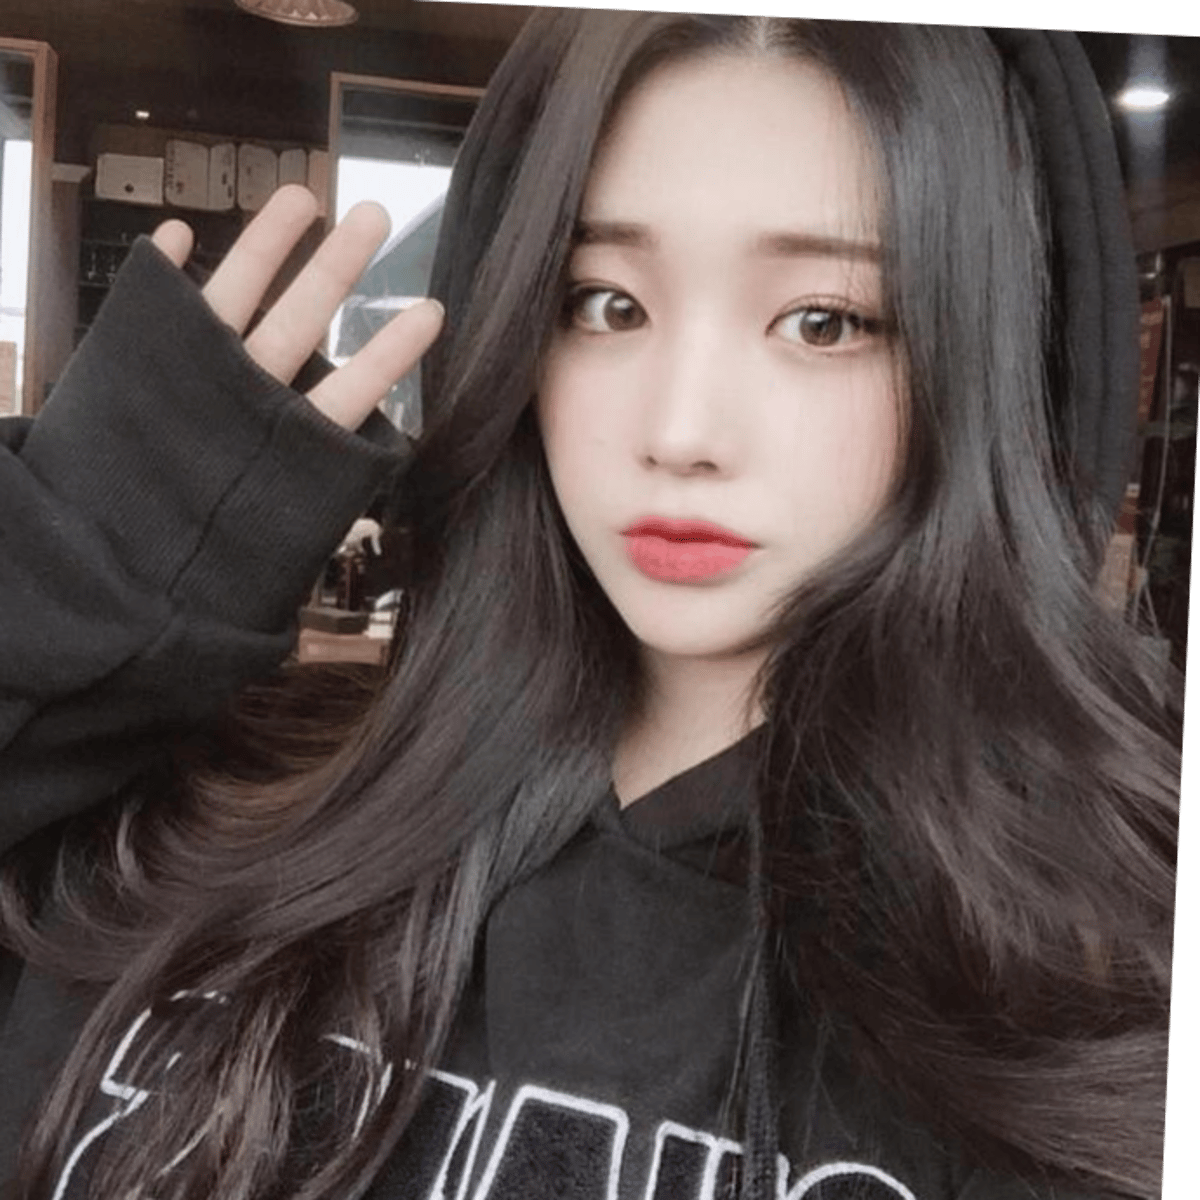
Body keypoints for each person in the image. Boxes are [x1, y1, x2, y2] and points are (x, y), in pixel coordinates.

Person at [0, 10, 1181, 1200]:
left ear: (982, 365)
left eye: (823, 322)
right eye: (607, 304)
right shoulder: (220, 811)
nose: (679, 432)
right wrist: (79, 571)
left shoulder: (1088, 990)